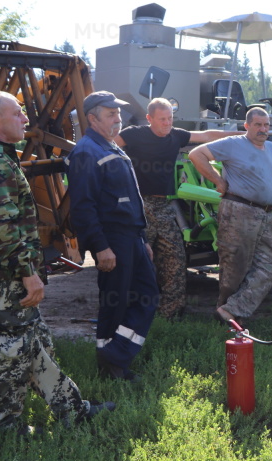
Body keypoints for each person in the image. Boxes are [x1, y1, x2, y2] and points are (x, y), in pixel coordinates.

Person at [0, 91, 114, 435]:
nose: (26, 119)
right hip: (2, 273)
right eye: (17, 113)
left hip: (3, 270)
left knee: (35, 343)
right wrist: (28, 274)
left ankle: (72, 409)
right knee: (9, 349)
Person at [114, 98, 242, 319]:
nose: (167, 123)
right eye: (162, 119)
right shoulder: (135, 134)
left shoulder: (176, 135)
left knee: (175, 257)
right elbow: (108, 146)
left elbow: (206, 136)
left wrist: (238, 136)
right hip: (138, 206)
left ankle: (171, 315)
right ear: (149, 119)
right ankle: (127, 315)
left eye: (170, 118)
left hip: (163, 207)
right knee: (136, 261)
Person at [65, 91, 158, 382]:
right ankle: (111, 367)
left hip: (131, 238)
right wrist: (100, 247)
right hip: (112, 240)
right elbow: (82, 208)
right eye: (110, 114)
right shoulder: (85, 151)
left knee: (147, 295)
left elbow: (128, 198)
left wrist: (142, 238)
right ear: (92, 118)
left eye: (118, 114)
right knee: (115, 302)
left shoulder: (111, 147)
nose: (118, 119)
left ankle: (116, 354)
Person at [188, 107, 272, 322]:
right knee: (235, 268)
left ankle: (231, 310)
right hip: (239, 211)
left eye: (266, 125)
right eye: (258, 125)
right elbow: (196, 154)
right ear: (247, 126)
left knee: (269, 267)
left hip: (266, 215)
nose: (263, 129)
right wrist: (218, 181)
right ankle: (228, 315)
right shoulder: (234, 143)